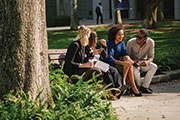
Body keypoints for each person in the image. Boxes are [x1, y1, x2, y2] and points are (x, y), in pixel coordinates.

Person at [86, 31, 128, 99]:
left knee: (114, 70)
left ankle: (119, 87)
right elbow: (85, 57)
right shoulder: (87, 46)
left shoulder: (97, 45)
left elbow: (105, 56)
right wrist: (92, 54)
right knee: (107, 72)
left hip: (99, 63)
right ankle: (114, 91)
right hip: (91, 63)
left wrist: (105, 46)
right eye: (95, 37)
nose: (96, 39)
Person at [105, 24, 142, 96]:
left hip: (120, 64)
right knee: (128, 64)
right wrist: (123, 63)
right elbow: (110, 58)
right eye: (119, 35)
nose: (121, 36)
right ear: (114, 35)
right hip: (111, 65)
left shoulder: (121, 43)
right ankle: (133, 88)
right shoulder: (109, 44)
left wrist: (130, 61)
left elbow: (125, 54)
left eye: (122, 34)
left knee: (127, 59)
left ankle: (124, 82)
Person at [127, 29, 158, 94]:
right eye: (137, 36)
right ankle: (138, 87)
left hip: (143, 62)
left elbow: (151, 57)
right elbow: (127, 56)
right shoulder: (130, 42)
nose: (137, 38)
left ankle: (144, 87)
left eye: (140, 37)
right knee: (135, 71)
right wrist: (133, 63)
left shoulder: (150, 42)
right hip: (132, 63)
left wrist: (147, 62)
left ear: (145, 39)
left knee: (154, 67)